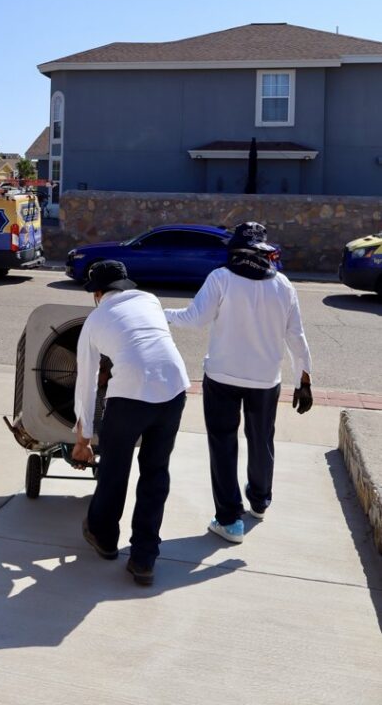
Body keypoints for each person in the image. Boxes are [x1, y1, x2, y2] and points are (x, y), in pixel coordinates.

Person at [164, 221, 313, 545]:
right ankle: (259, 501)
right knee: (261, 440)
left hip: (222, 376)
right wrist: (305, 378)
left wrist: (162, 314)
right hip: (265, 379)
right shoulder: (284, 285)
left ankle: (230, 520)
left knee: (223, 444)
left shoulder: (221, 278)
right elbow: (296, 337)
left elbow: (195, 319)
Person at [71, 260, 190, 586]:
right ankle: (144, 559)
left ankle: (104, 537)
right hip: (174, 388)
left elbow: (87, 381)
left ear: (97, 293)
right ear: (124, 283)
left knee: (114, 468)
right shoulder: (150, 299)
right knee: (155, 472)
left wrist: (83, 438)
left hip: (129, 396)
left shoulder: (94, 321)